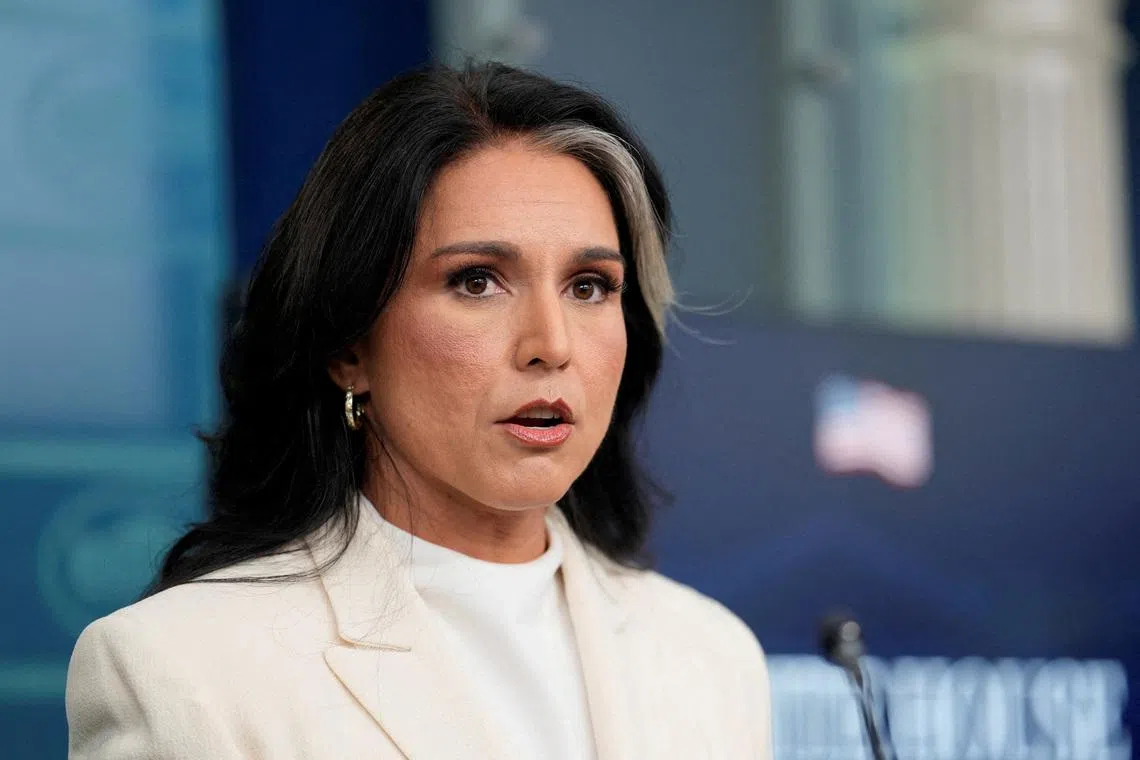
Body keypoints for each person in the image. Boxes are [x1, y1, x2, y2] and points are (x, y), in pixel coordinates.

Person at [65, 62, 772, 759]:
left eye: (589, 286)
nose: (550, 346)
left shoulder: (711, 654)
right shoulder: (180, 671)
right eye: (476, 281)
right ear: (350, 346)